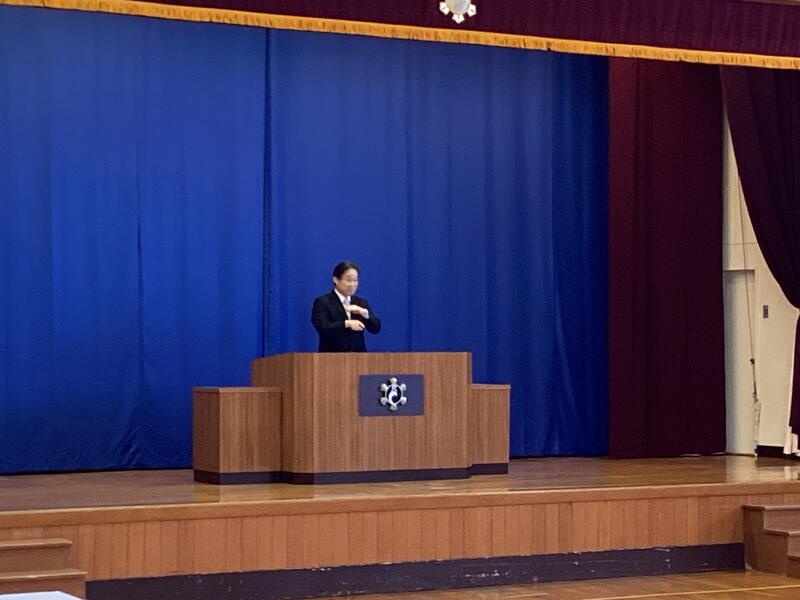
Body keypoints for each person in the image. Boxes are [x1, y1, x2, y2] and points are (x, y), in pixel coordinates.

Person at [311, 261, 381, 352]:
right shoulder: (323, 302)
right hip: (331, 357)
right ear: (336, 280)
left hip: (359, 357)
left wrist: (366, 315)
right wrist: (347, 324)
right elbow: (322, 327)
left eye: (355, 280)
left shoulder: (360, 302)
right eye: (348, 280)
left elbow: (376, 328)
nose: (352, 285)